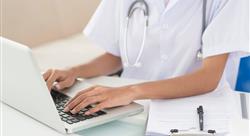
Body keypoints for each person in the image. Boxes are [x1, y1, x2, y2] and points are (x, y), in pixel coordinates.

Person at [43, 0, 248, 116]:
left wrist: (130, 91)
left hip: (197, 112)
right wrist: (73, 72)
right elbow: (117, 55)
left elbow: (208, 77)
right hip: (131, 108)